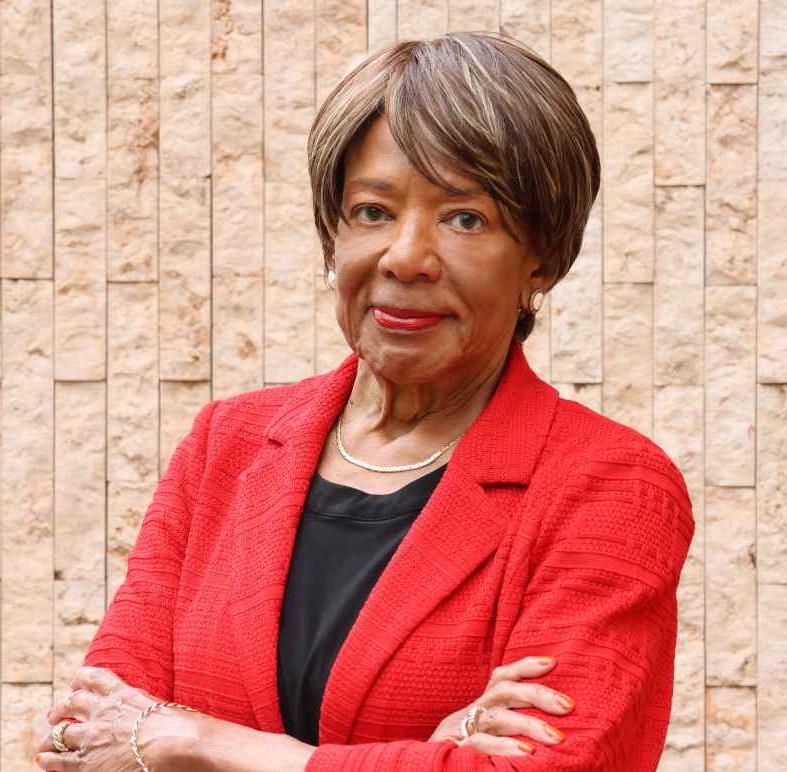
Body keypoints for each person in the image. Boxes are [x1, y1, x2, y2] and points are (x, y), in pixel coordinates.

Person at [35, 31, 694, 772]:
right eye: (373, 211)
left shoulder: (609, 485)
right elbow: (88, 732)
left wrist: (202, 742)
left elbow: (542, 767)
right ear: (333, 232)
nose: (405, 257)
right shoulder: (230, 443)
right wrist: (423, 756)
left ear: (541, 253)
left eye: (464, 218)